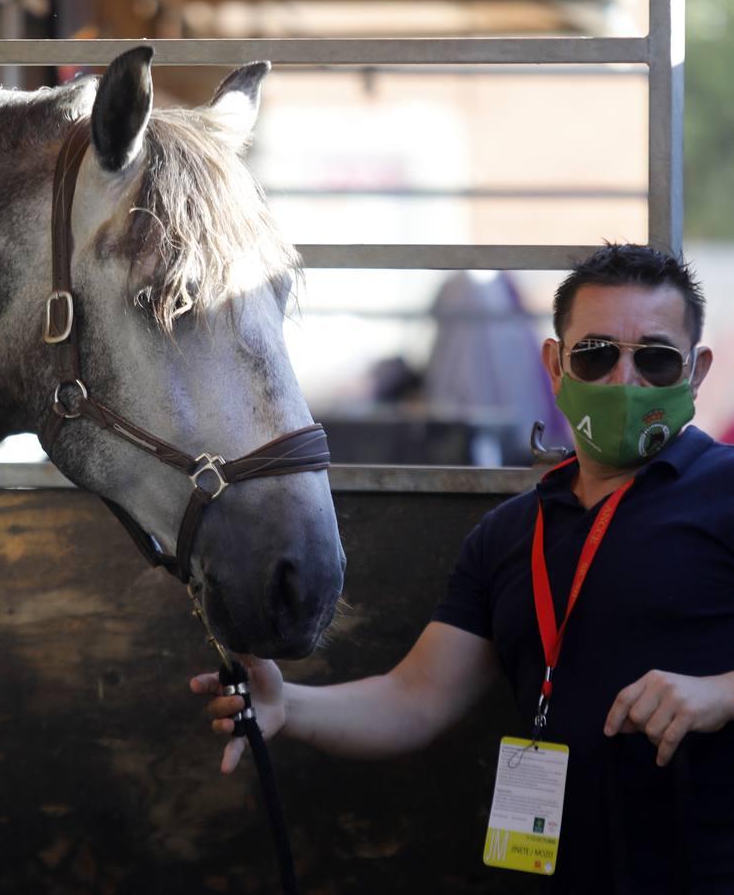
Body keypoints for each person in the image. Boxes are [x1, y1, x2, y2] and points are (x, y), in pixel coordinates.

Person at [191, 243, 734, 893]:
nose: (624, 381)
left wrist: (721, 693)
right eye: (595, 355)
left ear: (695, 371)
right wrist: (289, 708)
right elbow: (414, 699)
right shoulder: (507, 534)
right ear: (555, 366)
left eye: (653, 357)